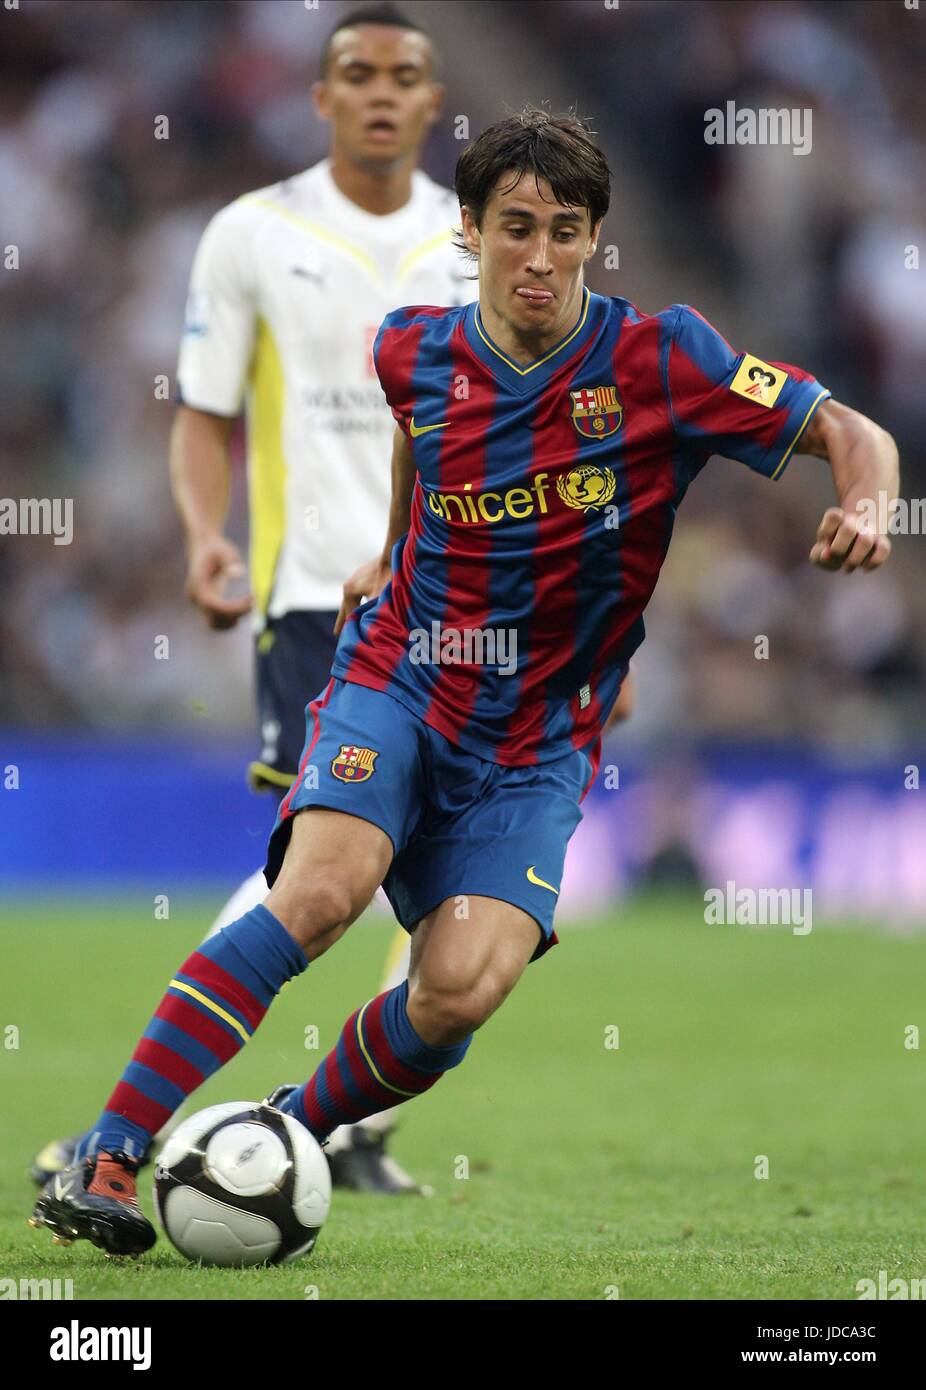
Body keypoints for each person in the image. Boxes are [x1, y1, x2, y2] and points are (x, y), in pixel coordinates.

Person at [30, 106, 897, 1257]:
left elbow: (851, 428)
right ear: (472, 233)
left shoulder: (663, 359)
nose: (539, 257)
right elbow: (414, 438)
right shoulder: (412, 349)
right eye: (516, 229)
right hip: (403, 673)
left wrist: (868, 499)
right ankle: (110, 1150)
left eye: (566, 232)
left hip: (540, 735)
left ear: (595, 238)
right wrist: (392, 548)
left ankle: (289, 1130)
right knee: (325, 891)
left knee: (458, 991)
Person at [28, 1, 475, 1198]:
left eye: (405, 76)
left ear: (433, 102)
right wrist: (200, 539)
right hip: (317, 600)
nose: (382, 92)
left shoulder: (480, 242)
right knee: (311, 875)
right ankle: (132, 1126)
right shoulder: (249, 233)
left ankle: (340, 1124)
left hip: (477, 610)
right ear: (318, 96)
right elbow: (206, 415)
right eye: (356, 73)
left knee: (441, 876)